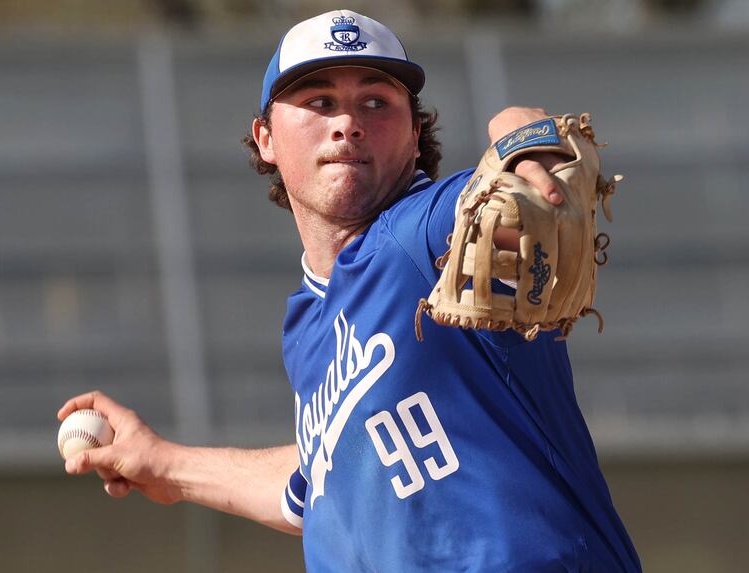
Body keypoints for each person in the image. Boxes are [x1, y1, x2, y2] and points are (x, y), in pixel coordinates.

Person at [59, 9, 642, 572]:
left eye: (375, 101)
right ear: (265, 138)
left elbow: (513, 187)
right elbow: (317, 483)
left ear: (416, 135)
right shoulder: (306, 324)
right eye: (319, 102)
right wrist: (164, 464)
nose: (348, 121)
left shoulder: (426, 232)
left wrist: (522, 133)